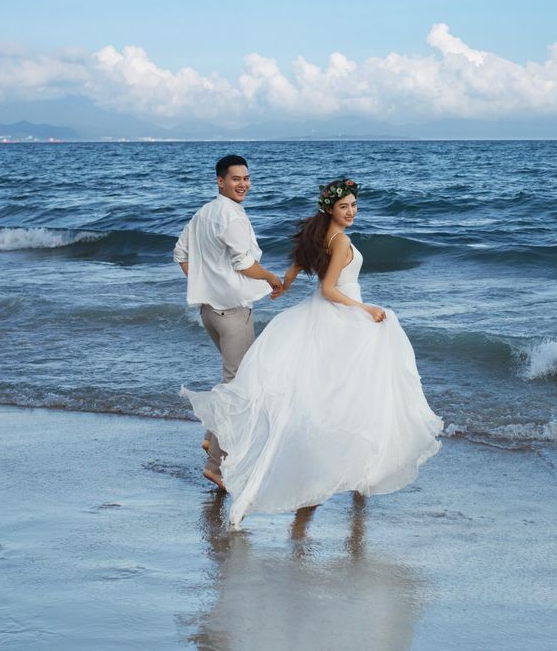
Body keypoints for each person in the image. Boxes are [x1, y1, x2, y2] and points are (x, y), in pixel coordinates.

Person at [184, 178, 442, 527]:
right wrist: (367, 310)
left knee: (324, 393)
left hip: (316, 316)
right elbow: (330, 288)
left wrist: (282, 285)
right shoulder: (340, 240)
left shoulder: (316, 234)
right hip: (339, 315)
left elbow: (297, 268)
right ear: (330, 209)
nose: (351, 211)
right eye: (344, 206)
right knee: (347, 393)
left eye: (353, 205)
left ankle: (230, 440)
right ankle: (345, 466)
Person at [175, 155, 284, 491]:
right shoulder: (229, 216)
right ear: (220, 181)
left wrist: (206, 286)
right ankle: (215, 466)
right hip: (233, 313)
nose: (243, 184)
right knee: (239, 388)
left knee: (233, 380)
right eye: (235, 179)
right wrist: (271, 280)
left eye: (247, 178)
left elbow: (181, 254)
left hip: (209, 312)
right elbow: (244, 263)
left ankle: (211, 437)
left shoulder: (203, 213)